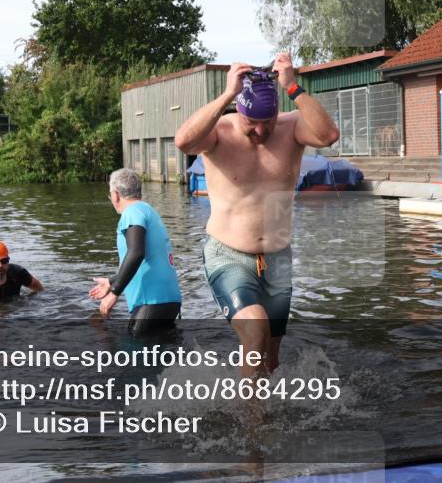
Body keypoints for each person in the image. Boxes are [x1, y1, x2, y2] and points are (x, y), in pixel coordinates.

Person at [174, 52, 339, 376]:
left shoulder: (291, 127)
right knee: (256, 333)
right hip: (228, 255)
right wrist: (226, 95)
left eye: (269, 122)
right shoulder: (220, 131)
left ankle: (259, 409)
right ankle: (254, 427)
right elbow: (183, 141)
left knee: (271, 357)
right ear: (240, 111)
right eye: (253, 123)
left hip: (278, 259)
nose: (262, 132)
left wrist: (292, 87)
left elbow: (328, 135)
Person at [89, 168, 182, 334]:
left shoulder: (131, 213)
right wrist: (111, 281)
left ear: (116, 195)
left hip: (150, 303)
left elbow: (136, 253)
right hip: (169, 301)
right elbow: (146, 259)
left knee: (135, 357)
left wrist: (114, 294)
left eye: (110, 195)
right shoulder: (148, 211)